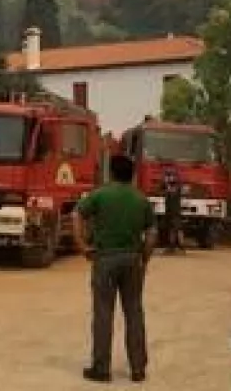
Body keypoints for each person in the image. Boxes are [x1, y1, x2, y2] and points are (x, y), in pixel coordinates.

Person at [73, 153, 157, 383]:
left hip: (105, 259)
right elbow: (151, 234)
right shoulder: (141, 200)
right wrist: (145, 259)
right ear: (132, 175)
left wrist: (82, 245)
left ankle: (101, 369)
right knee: (134, 312)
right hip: (132, 260)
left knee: (103, 314)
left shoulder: (99, 195)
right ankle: (138, 368)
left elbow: (78, 214)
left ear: (111, 172)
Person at [161, 163, 185, 254]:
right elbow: (161, 190)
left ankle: (180, 247)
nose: (168, 177)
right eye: (167, 175)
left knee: (177, 228)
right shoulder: (167, 185)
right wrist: (165, 183)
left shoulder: (177, 186)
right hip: (169, 210)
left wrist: (167, 185)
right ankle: (171, 247)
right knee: (171, 229)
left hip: (175, 211)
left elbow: (172, 192)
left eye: (170, 176)